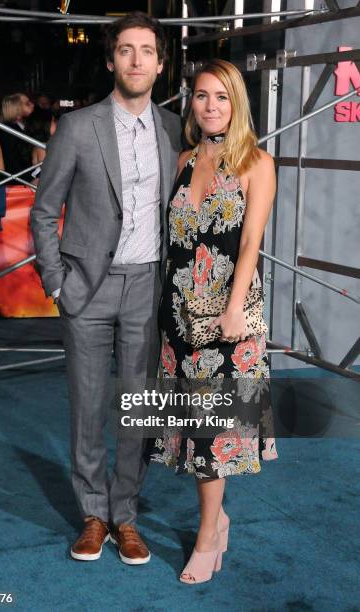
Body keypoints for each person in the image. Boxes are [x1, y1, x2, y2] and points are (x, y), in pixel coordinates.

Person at [30, 12, 180, 566]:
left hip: (147, 286)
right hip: (86, 290)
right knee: (88, 407)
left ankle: (126, 516)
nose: (136, 60)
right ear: (111, 59)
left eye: (146, 51)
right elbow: (44, 213)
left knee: (140, 409)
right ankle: (93, 514)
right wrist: (57, 284)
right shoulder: (77, 127)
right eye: (125, 50)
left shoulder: (172, 128)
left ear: (161, 64)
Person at [150, 59, 278, 584]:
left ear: (237, 103)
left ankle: (207, 539)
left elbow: (251, 243)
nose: (211, 106)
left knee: (212, 432)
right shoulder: (181, 160)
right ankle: (215, 517)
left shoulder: (256, 162)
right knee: (187, 430)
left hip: (227, 320)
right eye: (202, 96)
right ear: (192, 103)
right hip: (178, 319)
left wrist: (233, 307)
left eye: (222, 97)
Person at [0, 94, 31, 179]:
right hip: (17, 180)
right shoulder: (9, 131)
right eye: (24, 104)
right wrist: (28, 178)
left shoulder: (22, 126)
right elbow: (12, 160)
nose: (30, 106)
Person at [24, 107, 57, 183]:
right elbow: (49, 172)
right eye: (54, 121)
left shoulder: (42, 145)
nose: (57, 124)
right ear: (45, 125)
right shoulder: (42, 147)